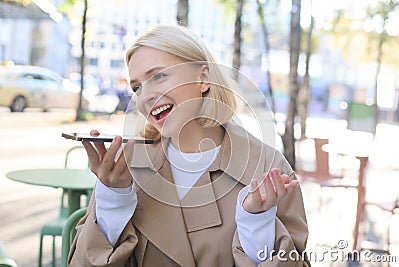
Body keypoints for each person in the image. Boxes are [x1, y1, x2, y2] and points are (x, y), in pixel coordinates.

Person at [69, 25, 310, 267]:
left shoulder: (267, 167)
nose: (145, 97)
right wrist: (113, 199)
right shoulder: (127, 166)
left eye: (158, 76)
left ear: (203, 78)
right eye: (136, 88)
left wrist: (256, 223)